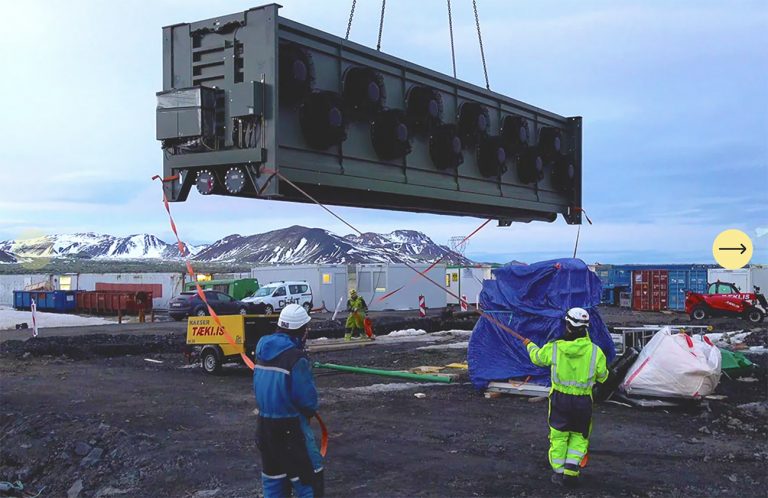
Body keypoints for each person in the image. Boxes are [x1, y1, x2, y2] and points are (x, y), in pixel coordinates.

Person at [523, 307, 609, 488]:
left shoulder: (555, 348)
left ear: (567, 325)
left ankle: (559, 472)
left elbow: (538, 358)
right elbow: (603, 376)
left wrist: (529, 345)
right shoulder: (595, 352)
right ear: (586, 328)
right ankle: (571, 471)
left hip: (560, 400)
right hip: (583, 402)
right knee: (579, 435)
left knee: (559, 436)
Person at [254, 304, 324, 497]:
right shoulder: (295, 358)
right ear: (302, 330)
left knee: (274, 484)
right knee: (310, 482)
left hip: (264, 429)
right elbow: (307, 400)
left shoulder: (262, 352)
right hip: (291, 429)